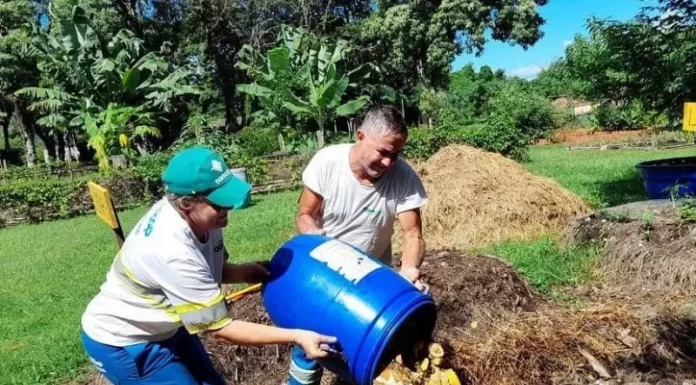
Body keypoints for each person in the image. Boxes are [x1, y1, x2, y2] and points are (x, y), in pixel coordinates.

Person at [80, 146, 336, 385]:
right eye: (218, 203)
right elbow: (221, 329)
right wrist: (297, 335)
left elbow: (212, 268)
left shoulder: (206, 220)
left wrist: (241, 271)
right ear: (186, 204)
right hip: (126, 341)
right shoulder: (171, 249)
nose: (227, 208)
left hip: (168, 328)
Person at [289, 105, 429, 385]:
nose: (389, 162)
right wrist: (314, 236)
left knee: (368, 352)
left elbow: (412, 234)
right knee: (310, 346)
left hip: (372, 280)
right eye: (382, 152)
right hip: (324, 275)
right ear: (360, 135)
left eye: (396, 154)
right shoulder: (327, 162)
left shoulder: (403, 176)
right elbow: (305, 214)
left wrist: (409, 270)